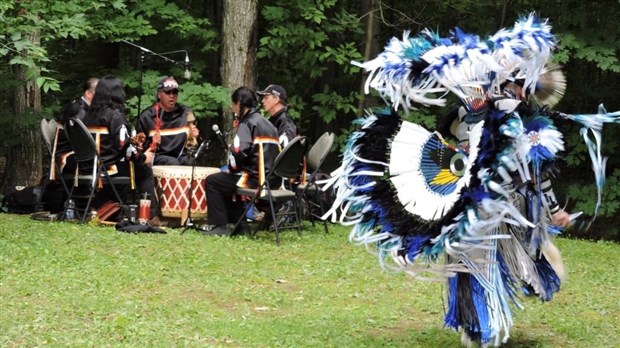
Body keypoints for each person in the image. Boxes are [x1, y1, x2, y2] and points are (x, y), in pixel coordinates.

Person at [80, 75, 160, 223]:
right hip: (109, 168)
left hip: (87, 166)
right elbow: (125, 147)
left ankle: (112, 207)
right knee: (145, 170)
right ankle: (149, 215)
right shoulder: (115, 116)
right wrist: (143, 157)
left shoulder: (87, 115)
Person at [203, 87, 280, 236]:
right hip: (272, 179)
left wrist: (232, 169)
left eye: (233, 104)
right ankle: (241, 225)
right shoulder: (269, 124)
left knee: (213, 181)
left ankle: (220, 226)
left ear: (239, 104)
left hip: (255, 180)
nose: (232, 108)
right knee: (227, 180)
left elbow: (238, 153)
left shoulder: (248, 123)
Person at [135, 76, 200, 166]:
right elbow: (139, 148)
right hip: (157, 157)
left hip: (180, 156)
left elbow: (193, 145)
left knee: (190, 162)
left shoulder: (186, 112)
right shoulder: (146, 117)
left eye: (175, 92)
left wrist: (195, 136)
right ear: (158, 94)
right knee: (172, 162)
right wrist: (152, 143)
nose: (172, 95)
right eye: (168, 92)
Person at [53, 78, 99, 175]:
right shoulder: (80, 111)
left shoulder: (80, 106)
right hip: (69, 154)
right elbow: (80, 137)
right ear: (88, 94)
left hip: (74, 151)